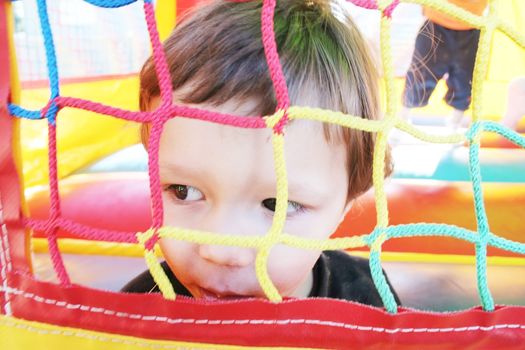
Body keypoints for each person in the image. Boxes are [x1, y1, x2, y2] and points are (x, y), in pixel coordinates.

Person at [122, 0, 401, 307]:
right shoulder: (141, 308)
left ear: (347, 201)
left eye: (278, 204)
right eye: (183, 192)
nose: (220, 249)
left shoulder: (365, 298)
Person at [401, 0, 488, 129]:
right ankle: (402, 119)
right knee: (419, 77)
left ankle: (455, 123)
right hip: (436, 23)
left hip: (470, 27)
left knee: (465, 82)